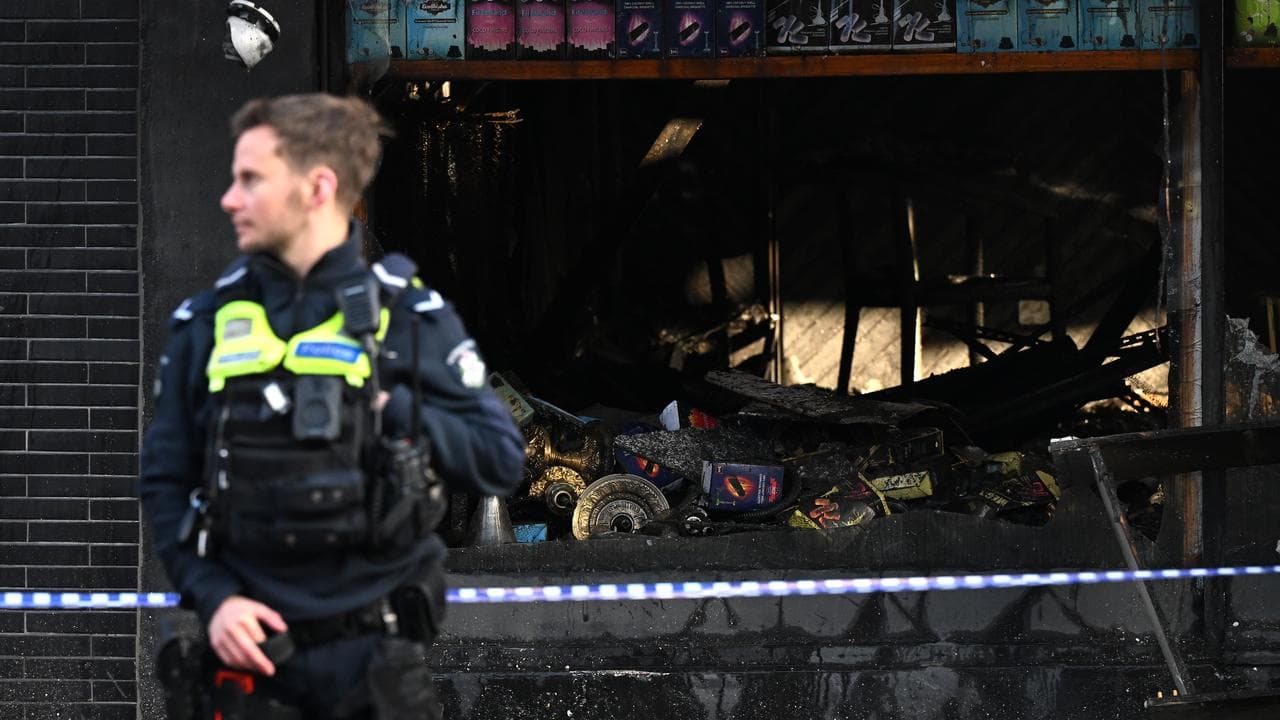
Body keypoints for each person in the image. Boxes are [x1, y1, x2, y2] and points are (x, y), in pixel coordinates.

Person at [140, 93, 525, 719]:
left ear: (317, 187)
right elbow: (163, 479)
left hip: (373, 670)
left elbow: (499, 459)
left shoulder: (405, 315)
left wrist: (388, 407)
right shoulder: (207, 323)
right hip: (248, 670)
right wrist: (213, 596)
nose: (228, 199)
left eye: (250, 179)